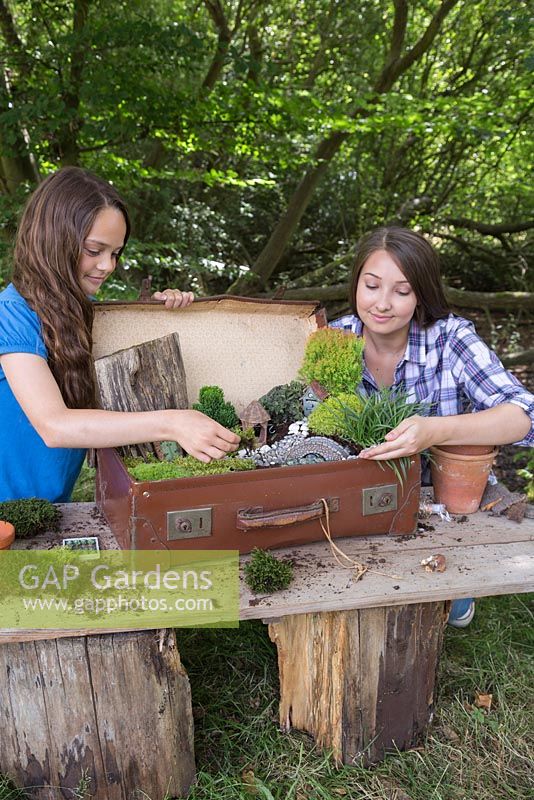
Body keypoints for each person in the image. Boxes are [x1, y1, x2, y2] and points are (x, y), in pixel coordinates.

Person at [330, 226, 534, 627]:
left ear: (421, 294)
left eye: (402, 291)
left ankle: (452, 584)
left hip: (438, 502)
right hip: (355, 501)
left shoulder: (449, 338)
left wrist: (435, 430)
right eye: (371, 286)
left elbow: (525, 414)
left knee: (433, 606)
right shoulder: (332, 339)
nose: (382, 304)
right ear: (356, 284)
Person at [0, 167, 240, 503]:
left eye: (115, 253)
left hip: (52, 511)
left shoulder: (77, 309)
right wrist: (173, 423)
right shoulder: (11, 315)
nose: (108, 266)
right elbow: (55, 426)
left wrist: (150, 316)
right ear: (52, 241)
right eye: (94, 250)